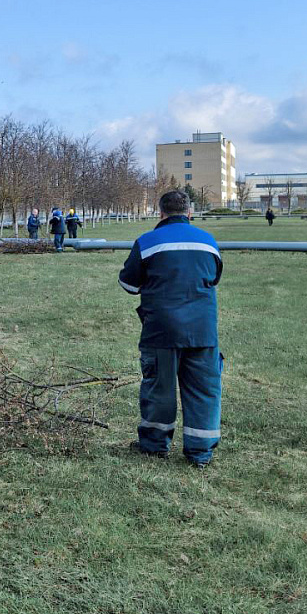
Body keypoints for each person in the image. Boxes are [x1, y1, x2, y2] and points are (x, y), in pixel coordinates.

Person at [118, 189, 223, 468]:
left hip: (161, 330)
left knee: (159, 390)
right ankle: (200, 451)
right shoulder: (208, 242)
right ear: (190, 212)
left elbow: (129, 284)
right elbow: (214, 278)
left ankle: (154, 445)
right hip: (203, 330)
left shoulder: (147, 242)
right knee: (204, 391)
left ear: (160, 212)